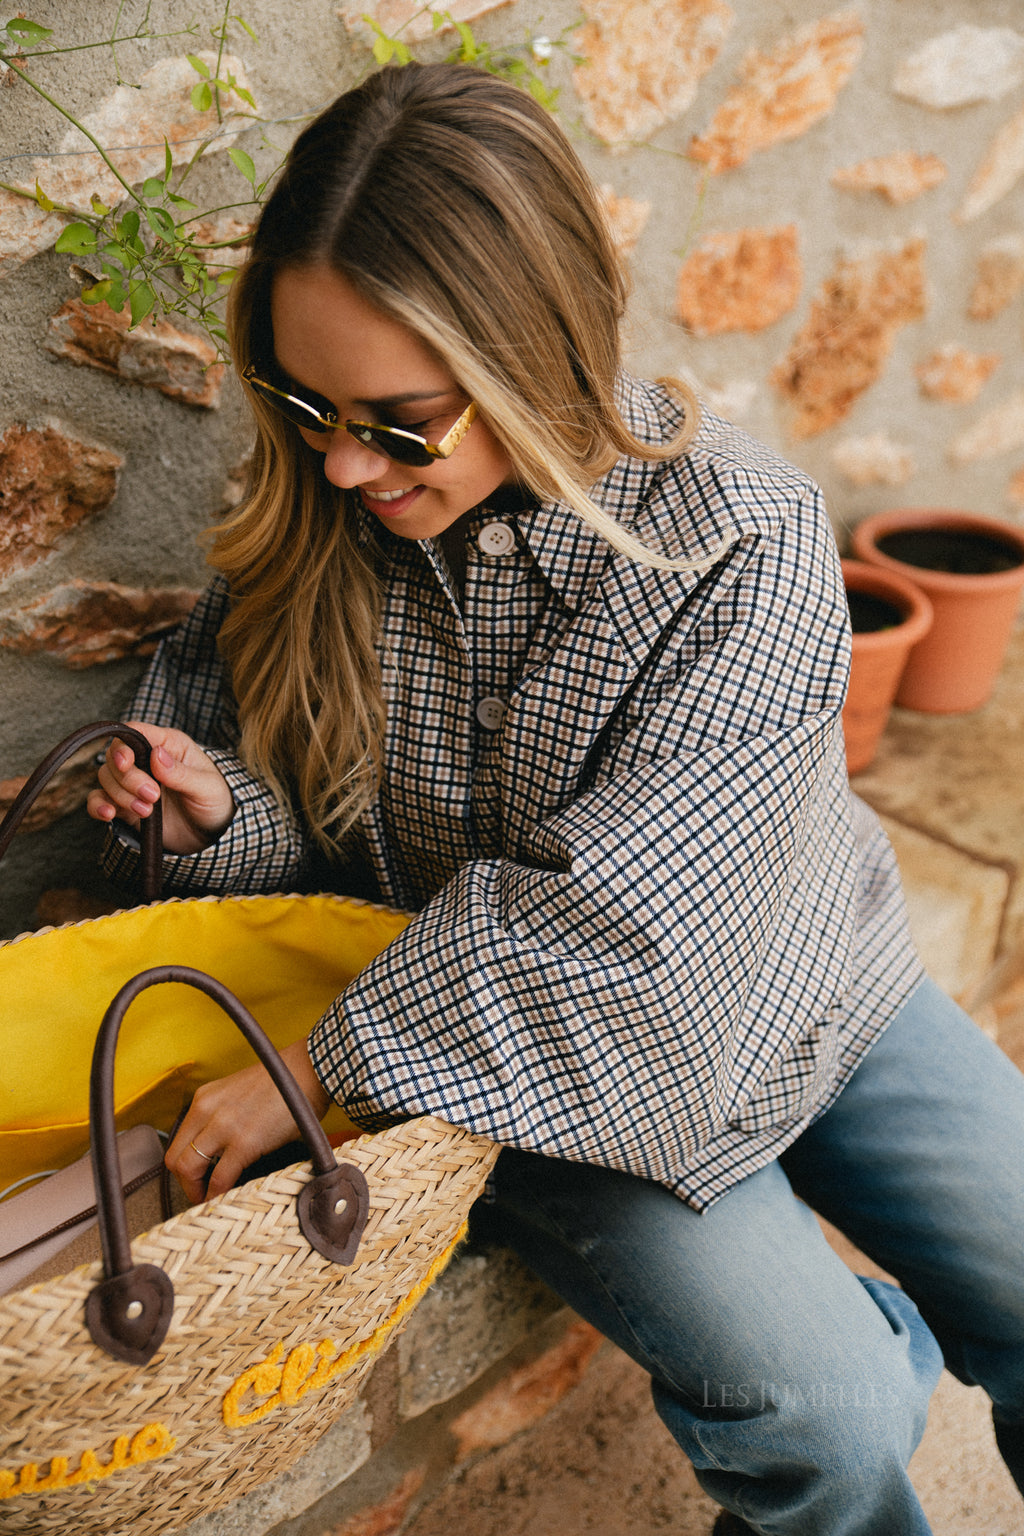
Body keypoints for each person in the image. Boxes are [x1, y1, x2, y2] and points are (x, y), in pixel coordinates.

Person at [88, 61, 1024, 1536]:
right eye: (303, 401)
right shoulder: (309, 537)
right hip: (516, 1078)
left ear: (535, 353)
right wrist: (220, 819)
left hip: (795, 980)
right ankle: (865, 1376)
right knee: (830, 1417)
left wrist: (318, 1062)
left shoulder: (742, 543)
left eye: (397, 422)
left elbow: (632, 929)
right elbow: (307, 854)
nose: (340, 463)